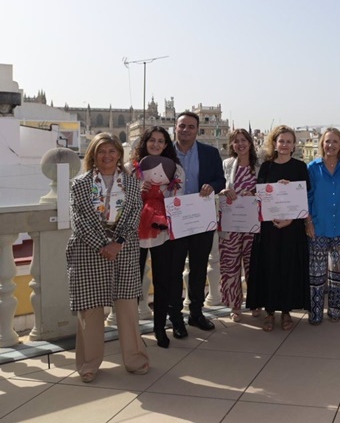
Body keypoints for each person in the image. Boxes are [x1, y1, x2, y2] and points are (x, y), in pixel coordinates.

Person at [66, 132, 149, 383]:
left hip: (123, 250)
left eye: (112, 151)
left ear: (119, 155)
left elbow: (135, 214)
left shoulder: (132, 183)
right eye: (102, 151)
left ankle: (135, 359)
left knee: (126, 308)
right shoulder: (80, 184)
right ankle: (88, 364)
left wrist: (117, 244)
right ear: (93, 154)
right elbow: (79, 220)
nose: (107, 156)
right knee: (90, 310)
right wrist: (104, 245)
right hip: (88, 250)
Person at [246, 125, 310, 332]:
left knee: (288, 268)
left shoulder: (300, 167)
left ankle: (286, 311)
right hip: (269, 227)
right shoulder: (266, 167)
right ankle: (270, 312)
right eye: (281, 141)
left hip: (292, 227)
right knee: (269, 267)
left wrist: (290, 217)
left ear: (294, 145)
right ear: (274, 143)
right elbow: (261, 195)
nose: (284, 145)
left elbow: (303, 197)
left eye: (289, 142)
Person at [169, 111, 226, 338]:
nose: (186, 130)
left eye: (191, 126)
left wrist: (211, 185)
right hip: (174, 219)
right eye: (182, 126)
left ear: (197, 129)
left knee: (199, 267)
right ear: (175, 127)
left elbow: (220, 180)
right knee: (174, 270)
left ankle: (196, 312)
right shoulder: (165, 153)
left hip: (201, 219)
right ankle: (176, 318)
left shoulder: (210, 153)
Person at [128, 126, 184, 349]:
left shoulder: (176, 170)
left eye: (161, 141)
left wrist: (165, 191)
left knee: (163, 281)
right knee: (132, 283)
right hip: (135, 233)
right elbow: (122, 199)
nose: (156, 144)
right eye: (152, 140)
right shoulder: (131, 170)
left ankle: (160, 328)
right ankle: (131, 329)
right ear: (145, 142)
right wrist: (138, 190)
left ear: (166, 145)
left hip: (163, 232)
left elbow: (178, 198)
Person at [306, 127, 340, 324]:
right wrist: (307, 221)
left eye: (335, 141)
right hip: (318, 227)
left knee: (339, 274)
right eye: (327, 141)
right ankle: (315, 312)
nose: (331, 145)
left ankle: (335, 310)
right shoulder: (312, 168)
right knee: (316, 274)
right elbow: (306, 197)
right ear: (322, 144)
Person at [219, 128, 260, 322]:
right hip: (231, 225)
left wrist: (253, 195)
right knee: (231, 265)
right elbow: (219, 189)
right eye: (236, 141)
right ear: (232, 145)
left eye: (244, 140)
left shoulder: (259, 165)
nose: (240, 144)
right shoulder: (227, 164)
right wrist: (225, 191)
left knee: (254, 265)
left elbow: (266, 192)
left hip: (253, 225)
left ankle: (255, 302)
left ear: (250, 143)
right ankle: (235, 305)